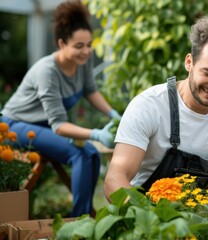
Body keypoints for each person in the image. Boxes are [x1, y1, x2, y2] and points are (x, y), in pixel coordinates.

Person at [104, 13, 208, 201]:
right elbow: (115, 179)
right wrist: (145, 215)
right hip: (139, 217)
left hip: (191, 219)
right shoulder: (149, 106)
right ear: (189, 62)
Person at [0, 0, 120, 217]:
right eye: (79, 46)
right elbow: (59, 126)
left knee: (91, 154)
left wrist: (112, 113)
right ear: (61, 43)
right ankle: (78, 221)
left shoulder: (81, 65)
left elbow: (90, 91)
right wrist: (96, 134)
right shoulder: (48, 71)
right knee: (80, 154)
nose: (86, 51)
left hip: (42, 126)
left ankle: (84, 217)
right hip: (13, 127)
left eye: (89, 45)